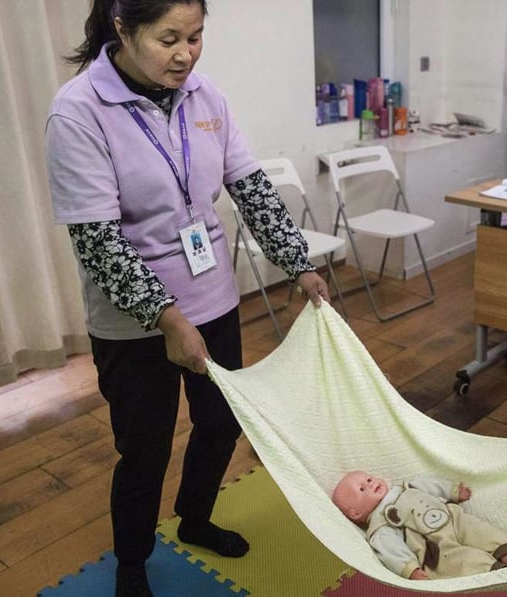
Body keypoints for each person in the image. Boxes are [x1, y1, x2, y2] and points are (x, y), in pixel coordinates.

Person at [45, 1, 329, 596]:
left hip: (214, 300)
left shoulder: (207, 99)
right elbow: (98, 240)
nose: (186, 54)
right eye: (169, 38)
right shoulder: (78, 111)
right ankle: (131, 562)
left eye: (196, 37)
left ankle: (196, 519)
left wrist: (298, 265)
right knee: (144, 448)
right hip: (134, 324)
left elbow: (249, 186)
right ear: (122, 29)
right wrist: (167, 317)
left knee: (221, 423)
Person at [332, 471, 507, 580]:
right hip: (435, 546)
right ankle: (498, 572)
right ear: (355, 513)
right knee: (461, 561)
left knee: (480, 530)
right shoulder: (380, 524)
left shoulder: (406, 486)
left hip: (454, 518)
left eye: (368, 478)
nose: (370, 483)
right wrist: (410, 569)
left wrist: (452, 491)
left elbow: (427, 483)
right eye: (361, 489)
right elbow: (390, 549)